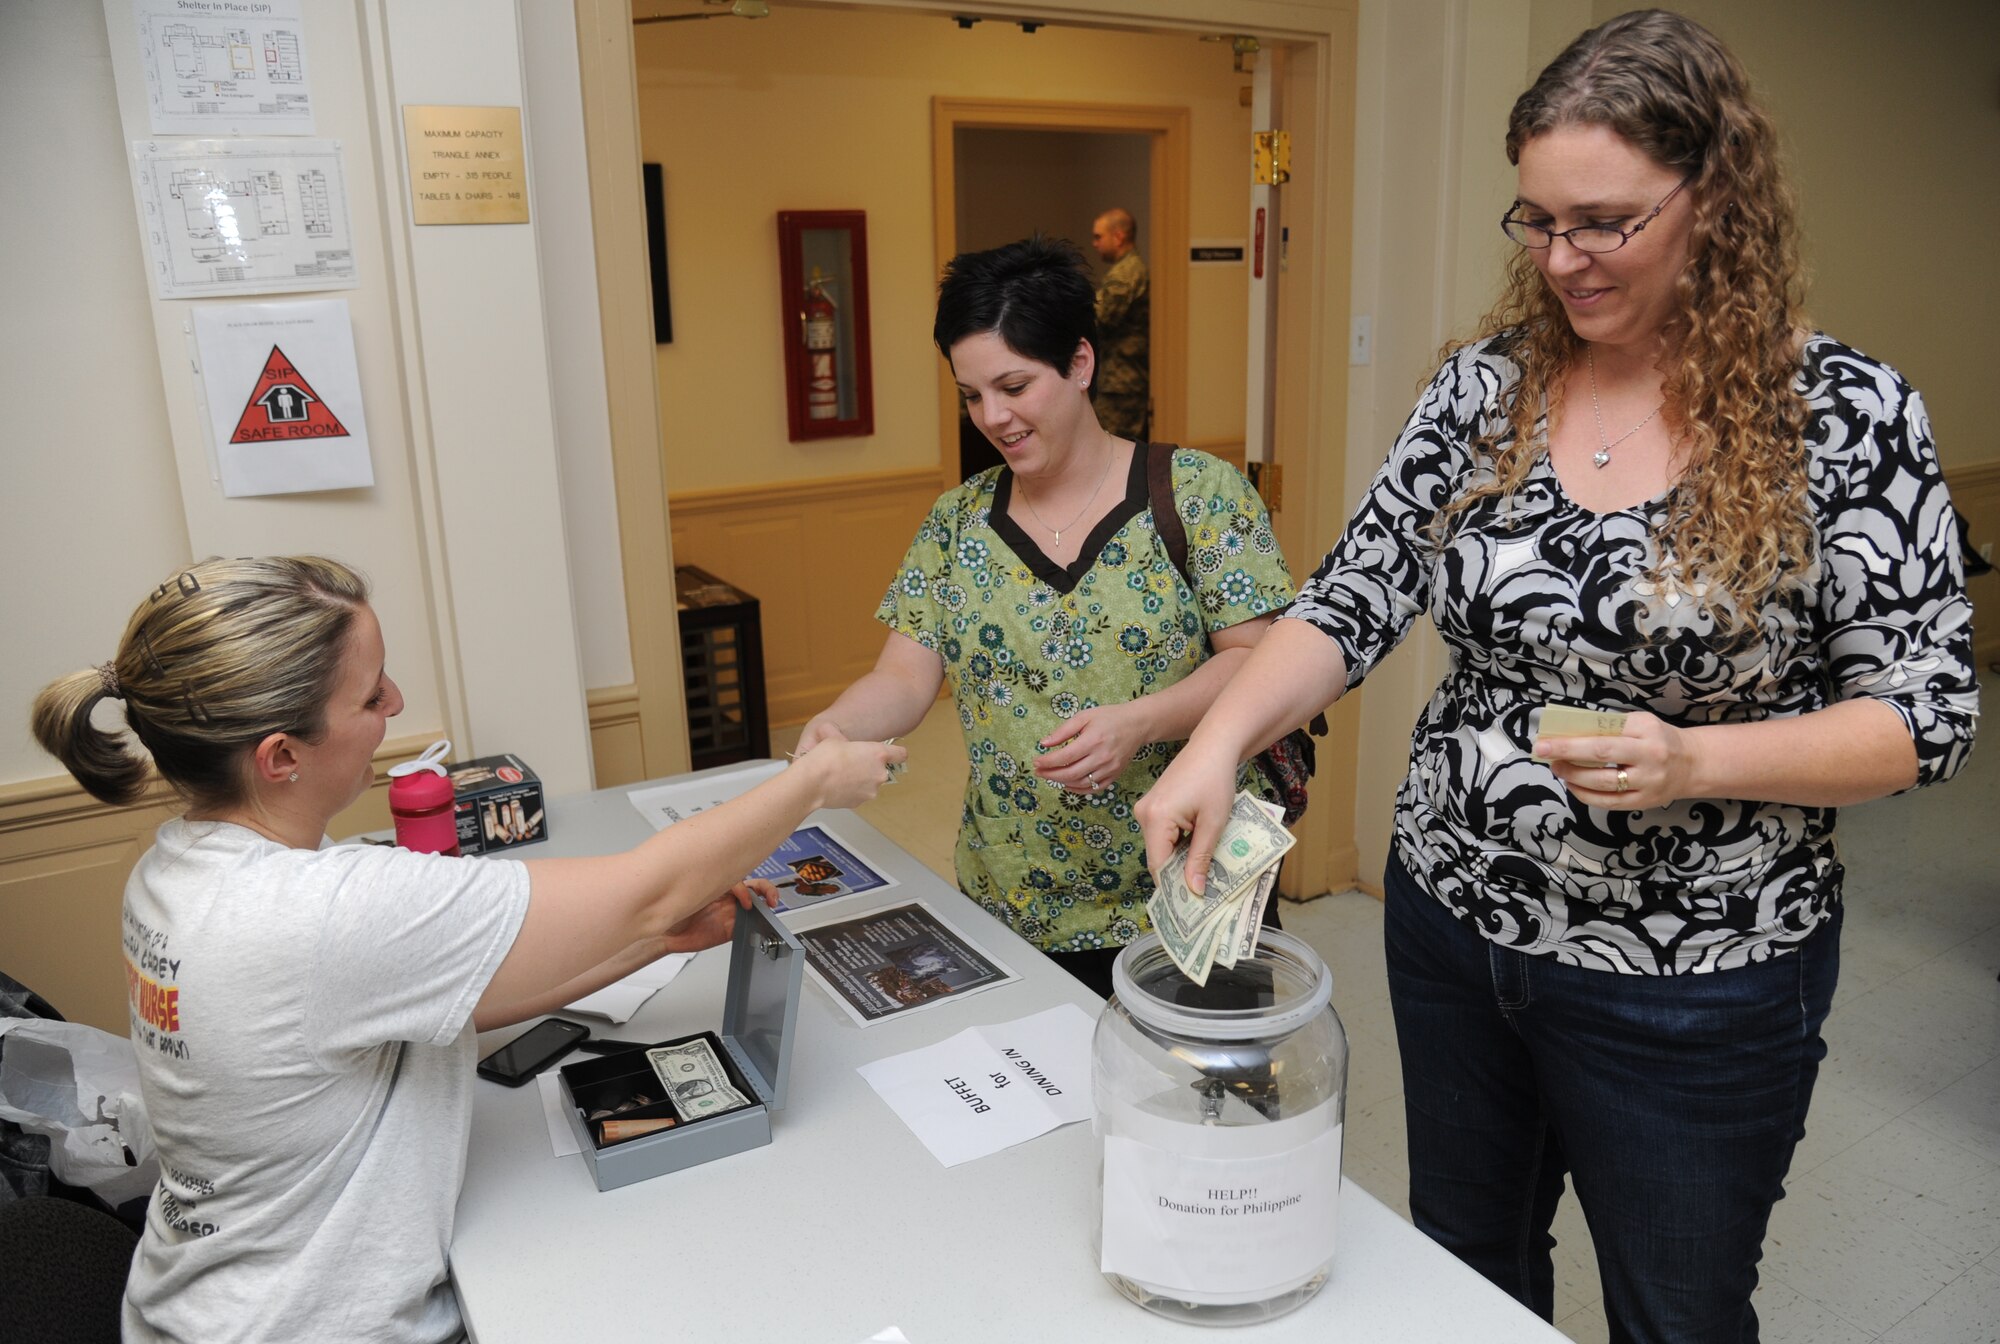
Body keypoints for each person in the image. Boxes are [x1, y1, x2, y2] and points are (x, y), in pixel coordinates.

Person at [1137, 11, 1977, 1342]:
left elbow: (1925, 714)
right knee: (1468, 1265)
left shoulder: (1849, 416)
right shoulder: (1482, 392)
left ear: (1713, 197)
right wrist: (1217, 740)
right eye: (1535, 222)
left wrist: (1701, 760)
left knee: (1678, 1309)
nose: (1562, 259)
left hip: (1696, 976)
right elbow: (1354, 596)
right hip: (1455, 926)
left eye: (1603, 222)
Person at [29, 556, 903, 1344]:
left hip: (204, 1304)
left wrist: (650, 944)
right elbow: (647, 884)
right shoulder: (321, 911)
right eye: (370, 697)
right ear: (282, 756)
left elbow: (419, 1004)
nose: (397, 705)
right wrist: (811, 783)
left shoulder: (178, 871)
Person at [797, 237, 1291, 997]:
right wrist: (839, 725)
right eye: (970, 394)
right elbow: (903, 674)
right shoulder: (957, 523)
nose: (992, 416)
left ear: (1081, 363)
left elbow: (1256, 663)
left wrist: (1142, 721)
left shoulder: (1196, 494)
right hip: (1013, 904)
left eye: (1015, 385)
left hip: (1191, 896)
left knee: (1196, 1107)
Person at [1089, 208, 1149, 440]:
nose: (1094, 243)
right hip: (1119, 380)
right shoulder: (1126, 269)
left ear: (1119, 236)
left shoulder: (1126, 273)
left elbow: (1098, 317)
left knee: (1116, 446)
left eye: (1098, 236)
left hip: (1122, 385)